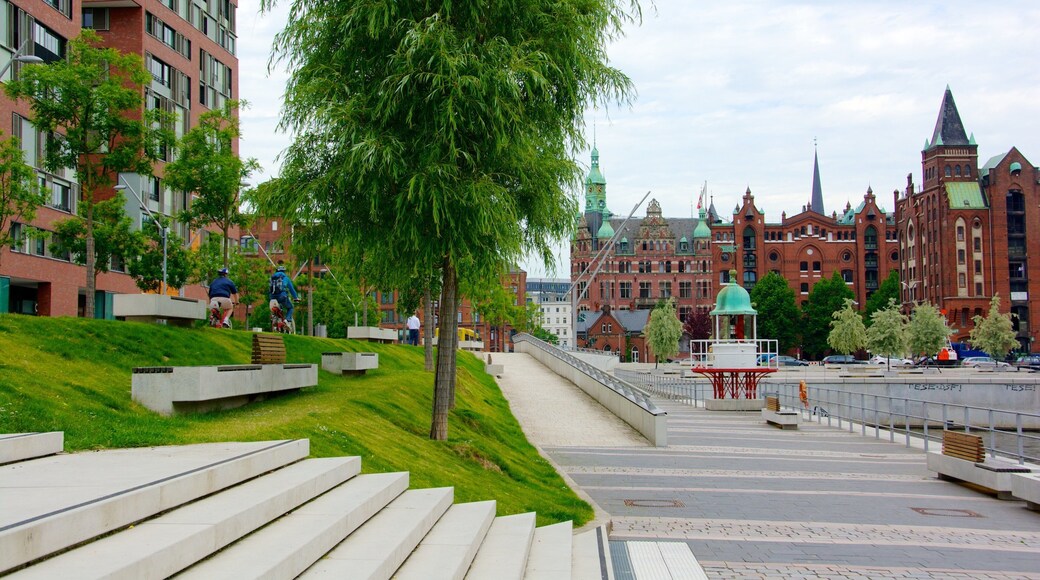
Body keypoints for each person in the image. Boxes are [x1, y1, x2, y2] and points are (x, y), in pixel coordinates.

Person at [269, 264, 299, 330]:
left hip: (272, 298)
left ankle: (274, 317)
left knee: (278, 307)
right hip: (282, 296)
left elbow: (269, 289)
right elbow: (291, 289)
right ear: (284, 271)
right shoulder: (285, 278)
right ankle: (287, 320)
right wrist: (296, 298)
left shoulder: (272, 278)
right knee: (290, 307)